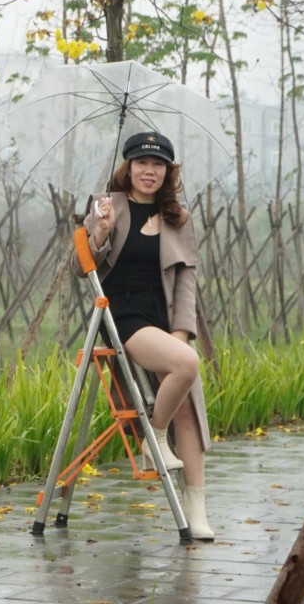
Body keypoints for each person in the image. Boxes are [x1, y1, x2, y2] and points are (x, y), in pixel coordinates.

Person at [83, 131, 215, 540]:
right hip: (124, 317)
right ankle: (154, 434)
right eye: (142, 163)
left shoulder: (179, 216)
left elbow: (186, 281)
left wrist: (181, 331)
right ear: (129, 167)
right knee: (187, 365)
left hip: (165, 320)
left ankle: (197, 512)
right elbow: (79, 265)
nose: (149, 171)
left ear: (167, 172)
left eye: (158, 165)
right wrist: (101, 231)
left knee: (189, 408)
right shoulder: (109, 206)